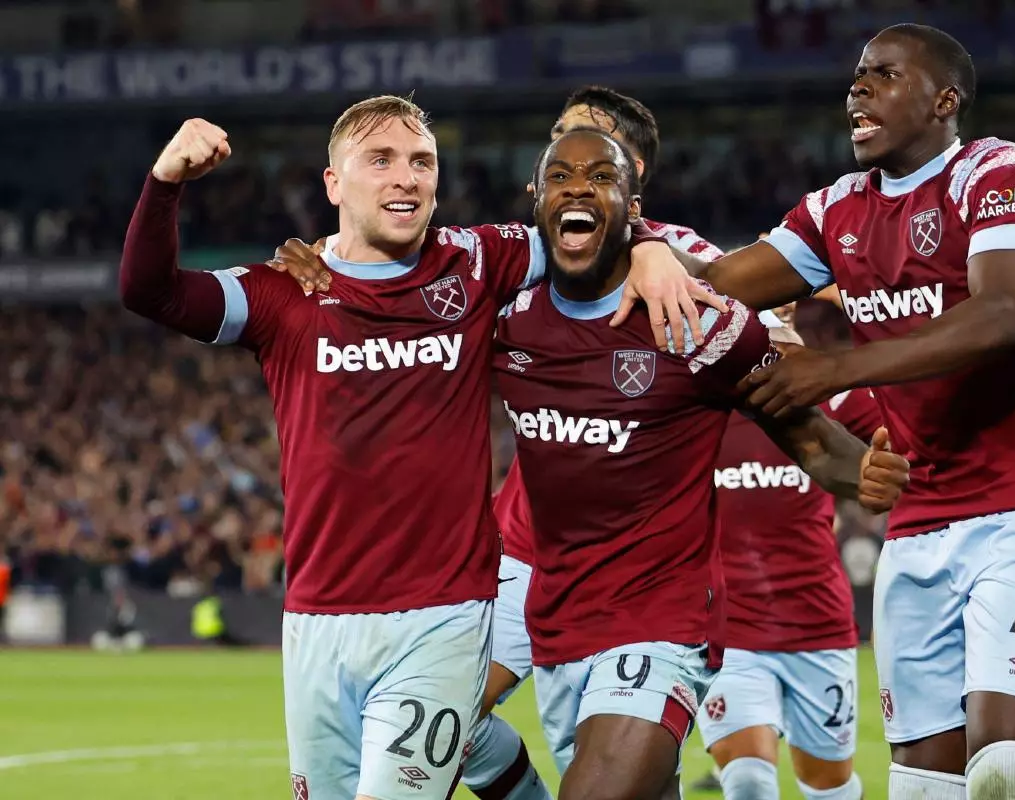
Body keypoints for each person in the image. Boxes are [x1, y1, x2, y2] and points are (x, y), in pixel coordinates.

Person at [118, 96, 708, 800]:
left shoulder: (480, 259)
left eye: (421, 161)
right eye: (382, 160)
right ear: (334, 184)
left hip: (442, 614)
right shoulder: (284, 292)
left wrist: (644, 247)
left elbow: (588, 227)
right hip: (316, 619)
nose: (406, 178)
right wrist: (165, 183)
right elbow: (148, 291)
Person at [642, 23, 1015, 799]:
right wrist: (651, 248)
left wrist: (836, 369)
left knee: (1006, 771)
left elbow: (1000, 317)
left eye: (884, 75)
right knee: (924, 786)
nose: (858, 88)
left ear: (943, 100)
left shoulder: (995, 171)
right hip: (919, 523)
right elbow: (719, 282)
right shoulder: (837, 210)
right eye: (857, 75)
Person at [494, 127, 909, 800]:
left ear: (634, 208)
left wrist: (860, 472)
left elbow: (807, 437)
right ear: (535, 199)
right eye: (561, 175)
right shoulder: (506, 317)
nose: (577, 186)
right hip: (558, 622)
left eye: (601, 176)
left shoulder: (698, 322)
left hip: (662, 625)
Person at [474, 85, 730, 800]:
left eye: (586, 146)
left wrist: (651, 248)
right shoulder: (528, 250)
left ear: (631, 172)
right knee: (442, 715)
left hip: (633, 570)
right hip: (523, 549)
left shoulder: (675, 253)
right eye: (557, 143)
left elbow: (747, 298)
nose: (565, 163)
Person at [696, 302, 880, 800]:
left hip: (816, 624)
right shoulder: (698, 406)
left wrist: (854, 295)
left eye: (784, 302)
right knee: (750, 783)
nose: (772, 316)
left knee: (830, 789)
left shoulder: (829, 398)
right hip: (729, 633)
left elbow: (908, 400)